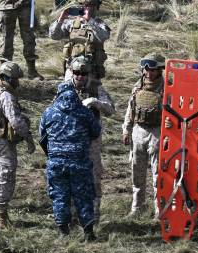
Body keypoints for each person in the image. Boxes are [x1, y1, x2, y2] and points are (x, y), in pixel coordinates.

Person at [39, 82, 102, 239]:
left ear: (58, 95)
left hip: (56, 162)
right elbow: (96, 132)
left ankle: (63, 231)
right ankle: (88, 233)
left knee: (59, 196)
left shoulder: (48, 112)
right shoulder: (85, 112)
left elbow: (42, 135)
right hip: (80, 162)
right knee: (84, 196)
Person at [0, 62, 35, 230]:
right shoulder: (5, 96)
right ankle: (2, 220)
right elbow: (16, 121)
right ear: (7, 78)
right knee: (4, 179)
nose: (17, 83)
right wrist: (28, 138)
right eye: (15, 79)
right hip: (4, 143)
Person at [69, 56, 116, 221]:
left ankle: (94, 213)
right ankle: (73, 213)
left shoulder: (96, 88)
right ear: (71, 72)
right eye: (76, 73)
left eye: (83, 73)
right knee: (72, 175)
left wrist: (97, 103)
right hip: (71, 140)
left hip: (91, 141)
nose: (80, 76)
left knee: (94, 175)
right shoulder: (65, 88)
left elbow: (111, 110)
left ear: (89, 74)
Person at [121, 54, 165, 217]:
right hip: (138, 131)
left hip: (157, 133)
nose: (148, 73)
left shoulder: (167, 88)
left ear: (159, 70)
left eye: (152, 70)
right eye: (146, 69)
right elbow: (130, 109)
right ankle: (137, 208)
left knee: (158, 175)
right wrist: (126, 130)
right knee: (137, 174)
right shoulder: (138, 86)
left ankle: (159, 211)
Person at [48, 0, 109, 80]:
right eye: (84, 5)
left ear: (96, 7)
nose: (87, 8)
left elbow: (103, 36)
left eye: (91, 5)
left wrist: (89, 21)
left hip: (92, 71)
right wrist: (61, 19)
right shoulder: (71, 23)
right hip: (72, 70)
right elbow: (54, 36)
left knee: (93, 88)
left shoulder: (100, 24)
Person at [0, 0, 41, 79]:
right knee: (6, 38)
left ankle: (32, 71)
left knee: (29, 38)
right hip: (6, 5)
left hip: (25, 4)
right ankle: (3, 71)